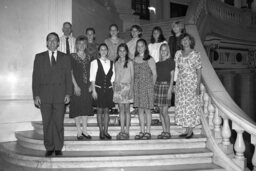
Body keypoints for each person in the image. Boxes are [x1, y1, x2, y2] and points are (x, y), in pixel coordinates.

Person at [32, 32, 72, 156]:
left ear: (58, 43)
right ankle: (49, 147)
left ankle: (58, 147)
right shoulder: (39, 57)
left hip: (60, 95)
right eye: (50, 40)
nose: (52, 42)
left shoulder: (65, 57)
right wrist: (36, 95)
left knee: (59, 123)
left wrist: (68, 93)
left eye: (55, 40)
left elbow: (68, 77)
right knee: (47, 122)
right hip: (44, 96)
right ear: (46, 43)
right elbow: (35, 78)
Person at [174, 33, 202, 139]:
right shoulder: (178, 54)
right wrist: (175, 84)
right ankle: (186, 130)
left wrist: (198, 86)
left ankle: (190, 130)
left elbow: (199, 70)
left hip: (191, 83)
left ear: (190, 41)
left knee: (191, 106)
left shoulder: (195, 54)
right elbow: (177, 70)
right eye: (183, 40)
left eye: (187, 39)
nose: (185, 41)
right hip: (181, 83)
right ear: (181, 42)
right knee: (183, 106)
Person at [69, 36, 93, 140]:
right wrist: (75, 86)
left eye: (84, 43)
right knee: (77, 107)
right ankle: (78, 131)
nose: (82, 45)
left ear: (86, 45)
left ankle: (85, 130)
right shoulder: (71, 56)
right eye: (79, 43)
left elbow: (92, 72)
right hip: (76, 85)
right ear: (76, 45)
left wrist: (92, 84)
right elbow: (69, 72)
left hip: (87, 85)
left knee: (85, 107)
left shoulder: (89, 57)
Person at [90, 43, 115, 140]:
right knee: (100, 111)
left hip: (108, 90)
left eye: (105, 49)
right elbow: (92, 78)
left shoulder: (111, 63)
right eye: (101, 49)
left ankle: (106, 131)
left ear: (107, 51)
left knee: (107, 111)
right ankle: (101, 131)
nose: (103, 51)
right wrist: (94, 91)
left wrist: (113, 92)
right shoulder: (94, 62)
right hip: (98, 90)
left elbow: (112, 79)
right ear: (99, 51)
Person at [133, 39, 157, 140]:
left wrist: (151, 86)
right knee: (140, 110)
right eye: (138, 46)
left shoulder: (150, 59)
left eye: (142, 46)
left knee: (147, 110)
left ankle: (148, 131)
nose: (140, 48)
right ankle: (142, 130)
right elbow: (133, 74)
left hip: (147, 87)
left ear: (145, 47)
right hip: (138, 86)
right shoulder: (134, 59)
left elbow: (155, 74)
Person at [154, 43, 175, 139]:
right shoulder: (157, 64)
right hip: (158, 87)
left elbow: (172, 76)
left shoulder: (171, 62)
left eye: (165, 50)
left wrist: (170, 89)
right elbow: (155, 77)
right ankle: (163, 131)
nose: (163, 51)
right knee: (160, 112)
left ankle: (168, 131)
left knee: (165, 111)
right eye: (161, 50)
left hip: (166, 87)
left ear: (168, 51)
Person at [113, 43, 134, 140]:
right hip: (118, 87)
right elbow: (115, 76)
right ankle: (122, 129)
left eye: (123, 50)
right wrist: (114, 88)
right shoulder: (116, 62)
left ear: (126, 52)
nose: (122, 52)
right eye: (120, 50)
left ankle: (127, 130)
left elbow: (133, 77)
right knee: (121, 110)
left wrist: (131, 89)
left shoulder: (130, 62)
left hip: (127, 87)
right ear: (118, 52)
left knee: (127, 110)